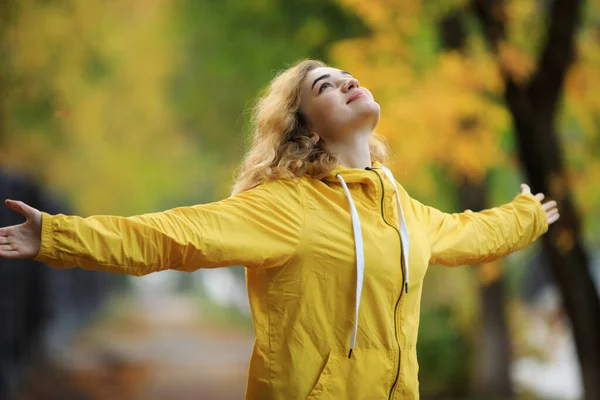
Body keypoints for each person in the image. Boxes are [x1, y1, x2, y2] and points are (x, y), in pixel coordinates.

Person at [0, 59, 559, 400]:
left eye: (346, 76)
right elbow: (173, 235)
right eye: (324, 86)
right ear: (304, 129)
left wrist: (526, 216)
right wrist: (55, 236)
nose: (346, 80)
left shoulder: (401, 209)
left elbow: (469, 235)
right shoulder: (284, 208)